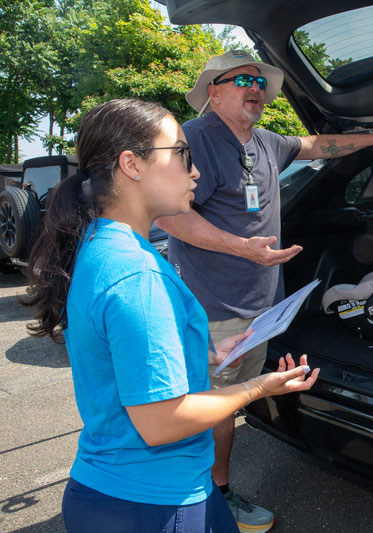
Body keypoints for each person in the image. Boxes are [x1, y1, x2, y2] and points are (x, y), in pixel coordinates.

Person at [21, 98, 319, 532]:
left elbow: (123, 352)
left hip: (140, 487)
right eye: (182, 154)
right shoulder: (136, 272)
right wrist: (259, 387)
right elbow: (163, 421)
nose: (194, 170)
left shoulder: (107, 245)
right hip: (151, 501)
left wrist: (209, 351)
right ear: (132, 164)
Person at [155, 49, 373, 532]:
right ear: (214, 91)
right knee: (204, 408)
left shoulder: (263, 142)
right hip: (214, 308)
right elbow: (168, 215)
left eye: (260, 80)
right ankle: (207, 499)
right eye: (242, 80)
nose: (255, 88)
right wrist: (243, 248)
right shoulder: (196, 140)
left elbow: (320, 145)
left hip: (258, 309)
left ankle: (206, 490)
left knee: (228, 405)